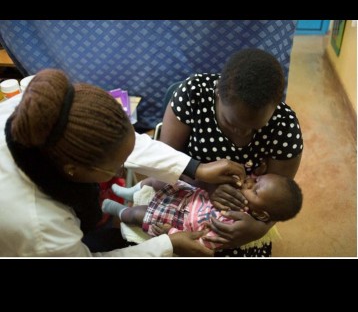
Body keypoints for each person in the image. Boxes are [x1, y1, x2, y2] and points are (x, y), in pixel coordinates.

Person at [0, 69, 249, 257]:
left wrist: (196, 168)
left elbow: (123, 142)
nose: (122, 170)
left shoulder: (41, 114)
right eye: (117, 166)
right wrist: (167, 244)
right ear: (73, 170)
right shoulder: (39, 226)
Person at [157, 48, 304, 257]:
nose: (242, 132)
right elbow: (164, 161)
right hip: (185, 197)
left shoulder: (284, 126)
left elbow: (279, 198)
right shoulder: (194, 94)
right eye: (231, 123)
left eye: (256, 127)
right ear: (218, 91)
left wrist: (258, 229)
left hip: (243, 223)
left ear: (275, 105)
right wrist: (204, 183)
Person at [102, 174, 303, 250]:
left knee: (138, 214)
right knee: (158, 179)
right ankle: (130, 191)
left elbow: (201, 241)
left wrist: (169, 233)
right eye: (257, 179)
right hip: (189, 194)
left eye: (255, 190)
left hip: (178, 219)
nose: (250, 182)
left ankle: (118, 210)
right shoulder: (241, 185)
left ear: (261, 214)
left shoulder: (233, 224)